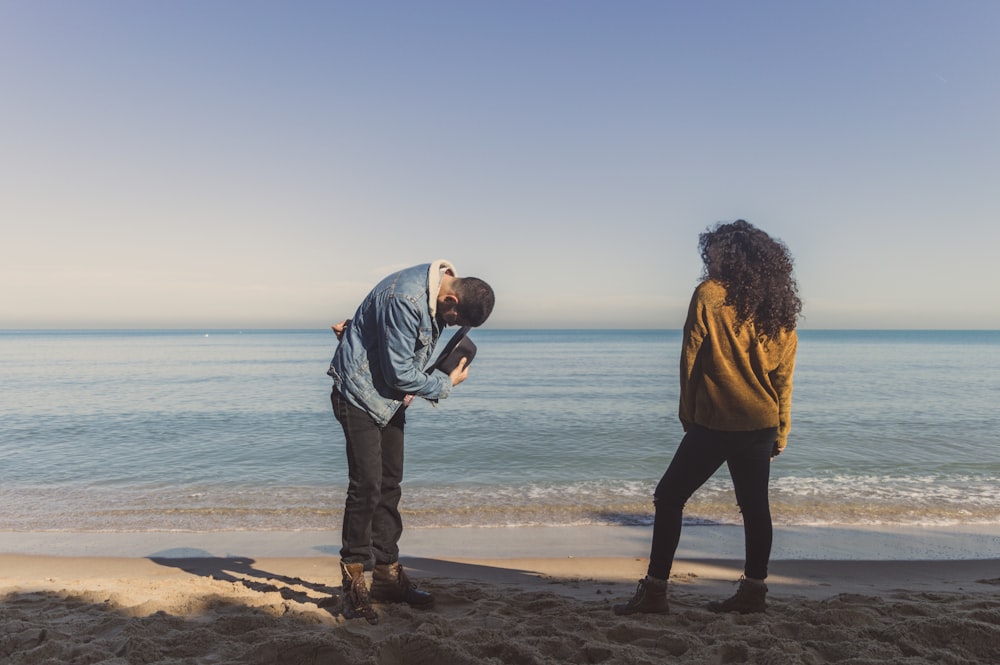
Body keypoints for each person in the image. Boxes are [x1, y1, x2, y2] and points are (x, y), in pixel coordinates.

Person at [614, 220, 802, 616]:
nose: (710, 257)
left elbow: (690, 358)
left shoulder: (709, 294)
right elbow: (783, 377)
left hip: (717, 423)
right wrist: (781, 430)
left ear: (733, 255)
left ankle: (655, 593)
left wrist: (688, 414)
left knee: (669, 497)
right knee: (755, 509)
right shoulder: (778, 306)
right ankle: (753, 592)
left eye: (716, 250)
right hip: (762, 424)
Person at [327, 260, 495, 624]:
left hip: (389, 399)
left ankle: (386, 577)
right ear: (451, 298)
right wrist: (447, 385)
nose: (449, 325)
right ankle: (354, 583)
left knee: (390, 484)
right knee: (366, 486)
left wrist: (357, 330)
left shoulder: (441, 286)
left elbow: (387, 340)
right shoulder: (406, 298)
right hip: (359, 395)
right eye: (453, 319)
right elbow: (400, 372)